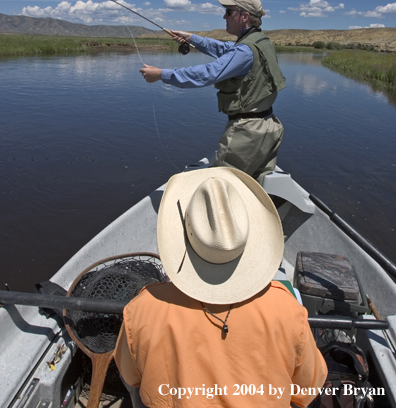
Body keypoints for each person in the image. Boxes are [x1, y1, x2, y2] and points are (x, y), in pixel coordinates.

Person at [114, 167, 327, 408]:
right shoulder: (288, 311)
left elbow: (132, 379)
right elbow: (306, 390)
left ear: (184, 235)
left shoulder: (142, 310)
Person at [139, 0, 286, 183]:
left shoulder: (245, 50)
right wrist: (192, 38)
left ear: (244, 16)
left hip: (247, 133)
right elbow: (226, 50)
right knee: (253, 187)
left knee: (221, 189)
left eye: (228, 12)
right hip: (269, 126)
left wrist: (160, 75)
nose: (224, 16)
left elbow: (207, 73)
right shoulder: (260, 41)